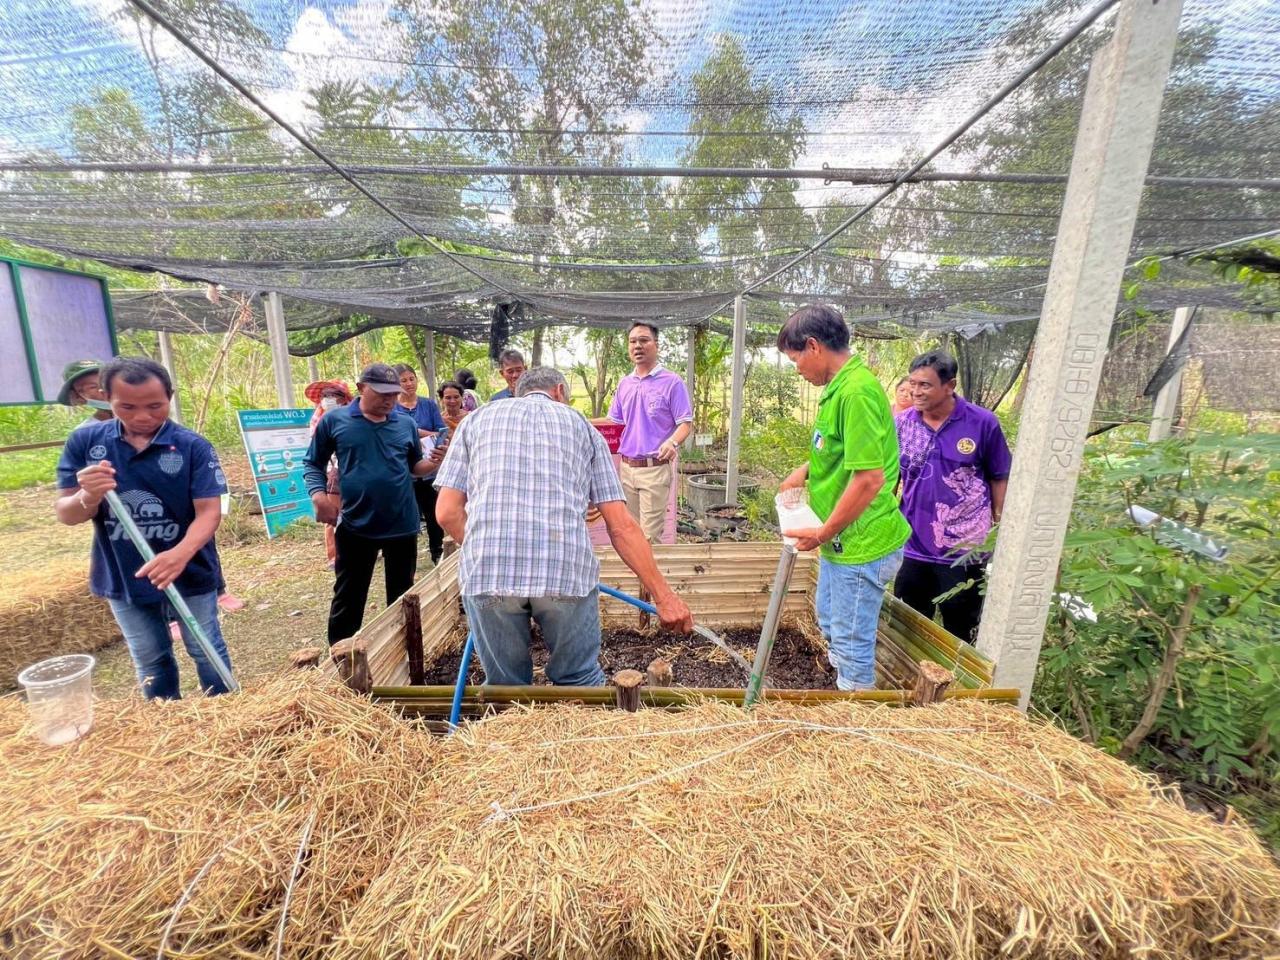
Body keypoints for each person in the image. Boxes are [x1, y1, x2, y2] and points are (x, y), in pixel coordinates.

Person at [434, 366, 693, 686]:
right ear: (558, 391)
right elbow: (622, 526)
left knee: (505, 689)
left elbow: (446, 513)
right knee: (579, 679)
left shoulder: (475, 420)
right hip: (564, 572)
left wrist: (486, 550)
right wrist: (664, 597)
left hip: (487, 574)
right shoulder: (581, 426)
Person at [54, 357, 234, 699]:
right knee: (151, 659)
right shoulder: (86, 444)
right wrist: (87, 495)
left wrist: (179, 555)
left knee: (206, 649)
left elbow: (209, 512)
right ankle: (165, 725)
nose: (142, 417)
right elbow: (66, 513)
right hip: (124, 574)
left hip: (191, 571)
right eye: (127, 406)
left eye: (155, 406)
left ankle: (224, 712)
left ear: (170, 396)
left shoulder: (192, 446)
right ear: (107, 398)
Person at [776, 305, 910, 692]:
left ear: (814, 347)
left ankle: (854, 711)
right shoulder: (840, 389)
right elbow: (842, 450)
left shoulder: (856, 393)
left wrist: (821, 532)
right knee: (832, 622)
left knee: (852, 640)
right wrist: (804, 471)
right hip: (842, 539)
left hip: (862, 542)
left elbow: (869, 479)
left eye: (795, 358)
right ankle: (840, 687)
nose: (797, 368)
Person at [304, 363, 444, 646]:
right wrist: (318, 495)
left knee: (402, 596)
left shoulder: (404, 423)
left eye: (394, 393)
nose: (389, 400)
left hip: (402, 524)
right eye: (382, 393)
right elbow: (312, 463)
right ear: (361, 388)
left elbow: (413, 466)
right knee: (349, 596)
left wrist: (433, 461)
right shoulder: (336, 421)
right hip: (356, 525)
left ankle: (402, 654)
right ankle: (340, 660)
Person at [894, 350, 1011, 643]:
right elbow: (888, 478)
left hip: (964, 551)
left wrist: (1001, 526)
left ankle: (956, 686)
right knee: (905, 627)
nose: (915, 392)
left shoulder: (983, 424)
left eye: (925, 385)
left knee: (959, 629)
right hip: (912, 544)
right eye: (912, 384)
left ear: (950, 385)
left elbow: (999, 476)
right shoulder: (902, 424)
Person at [606, 322, 694, 543]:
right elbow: (612, 421)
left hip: (654, 470)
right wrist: (578, 418)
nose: (638, 346)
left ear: (656, 345)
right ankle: (637, 576)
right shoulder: (625, 383)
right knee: (630, 535)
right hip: (626, 470)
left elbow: (686, 423)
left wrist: (672, 442)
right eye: (633, 341)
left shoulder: (672, 382)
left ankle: (648, 578)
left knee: (648, 538)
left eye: (644, 340)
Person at [393, 363, 448, 564]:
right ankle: (407, 555)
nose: (409, 384)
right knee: (408, 515)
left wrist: (417, 432)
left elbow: (441, 432)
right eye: (403, 380)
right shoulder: (392, 408)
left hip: (430, 467)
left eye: (411, 379)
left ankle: (437, 551)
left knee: (433, 513)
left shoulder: (429, 405)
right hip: (404, 471)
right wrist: (418, 432)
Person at [304, 379, 352, 568]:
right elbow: (315, 456)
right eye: (325, 395)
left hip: (354, 471)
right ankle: (334, 556)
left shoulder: (353, 417)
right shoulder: (319, 420)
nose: (329, 399)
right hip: (333, 472)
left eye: (334, 395)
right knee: (332, 514)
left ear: (344, 398)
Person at [56, 359, 114, 430]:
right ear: (77, 397)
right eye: (92, 387)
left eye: (105, 383)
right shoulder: (87, 432)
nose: (103, 390)